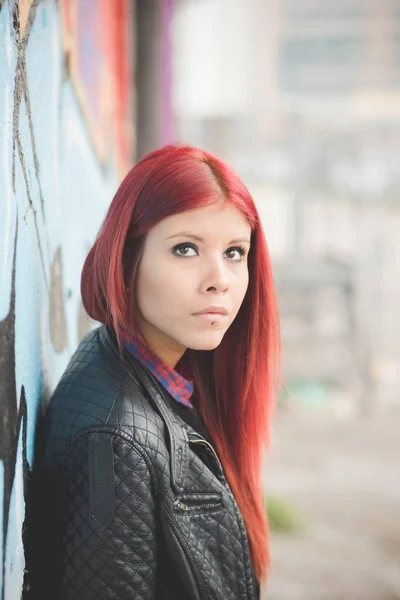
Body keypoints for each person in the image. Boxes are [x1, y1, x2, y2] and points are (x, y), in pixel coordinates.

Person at [25, 144, 280, 600]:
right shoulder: (116, 440)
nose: (218, 278)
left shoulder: (152, 372)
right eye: (185, 249)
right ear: (127, 258)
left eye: (235, 252)